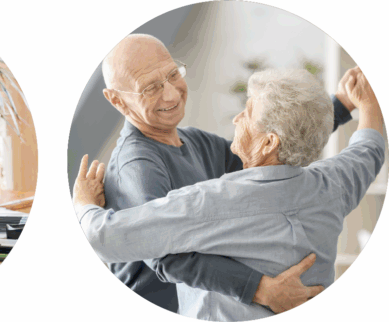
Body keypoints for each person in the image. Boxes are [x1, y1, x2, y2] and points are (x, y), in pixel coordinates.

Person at [76, 68, 383, 320]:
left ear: (268, 144)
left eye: (248, 113)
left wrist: (84, 203)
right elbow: (370, 147)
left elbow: (104, 238)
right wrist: (363, 103)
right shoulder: (334, 185)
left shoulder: (211, 202)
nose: (237, 119)